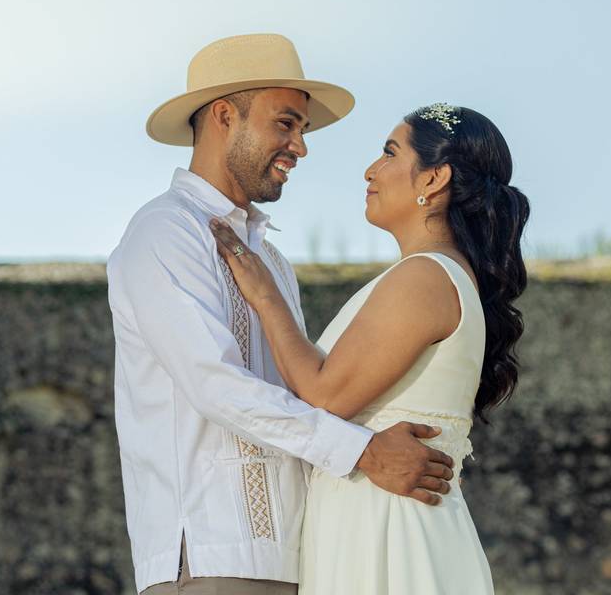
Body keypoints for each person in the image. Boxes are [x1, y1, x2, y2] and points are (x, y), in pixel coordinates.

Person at [107, 34, 455, 595]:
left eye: (302, 130)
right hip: (211, 553)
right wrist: (364, 451)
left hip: (298, 557)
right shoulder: (163, 231)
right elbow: (213, 384)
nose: (300, 146)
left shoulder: (270, 261)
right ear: (224, 115)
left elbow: (306, 391)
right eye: (287, 123)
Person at [209, 102, 530, 593]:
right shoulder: (431, 274)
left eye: (389, 153)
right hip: (376, 517)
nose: (371, 170)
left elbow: (325, 395)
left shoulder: (424, 277)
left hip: (388, 529)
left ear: (433, 179)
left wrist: (265, 296)